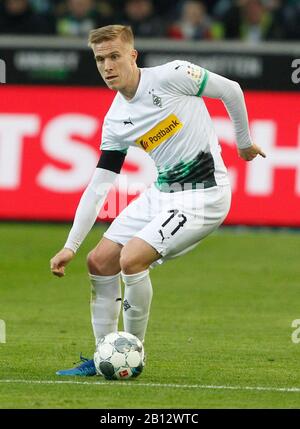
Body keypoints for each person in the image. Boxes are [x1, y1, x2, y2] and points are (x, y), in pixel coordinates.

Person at [50, 24, 266, 376]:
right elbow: (98, 187)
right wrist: (70, 246)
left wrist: (243, 142)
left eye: (115, 56)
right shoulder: (116, 121)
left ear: (132, 55)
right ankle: (104, 353)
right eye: (100, 59)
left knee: (132, 259)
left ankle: (131, 355)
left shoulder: (173, 75)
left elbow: (232, 90)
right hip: (162, 194)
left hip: (205, 196)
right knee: (100, 261)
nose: (107, 66)